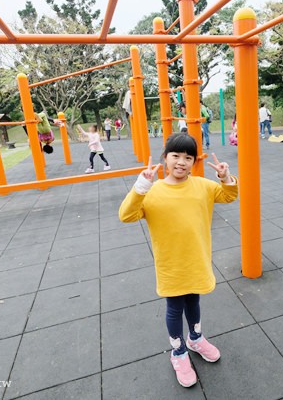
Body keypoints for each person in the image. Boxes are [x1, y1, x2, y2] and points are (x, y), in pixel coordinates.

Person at [118, 133, 238, 388]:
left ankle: (195, 337)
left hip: (196, 259)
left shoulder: (203, 186)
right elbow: (126, 215)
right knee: (174, 307)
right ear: (165, 159)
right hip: (170, 264)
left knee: (193, 300)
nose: (181, 162)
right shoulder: (152, 192)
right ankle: (179, 351)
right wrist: (141, 186)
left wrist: (226, 177)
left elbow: (228, 196)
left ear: (194, 162)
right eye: (175, 156)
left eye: (188, 157)